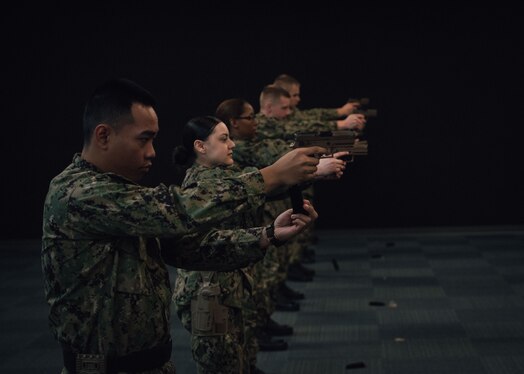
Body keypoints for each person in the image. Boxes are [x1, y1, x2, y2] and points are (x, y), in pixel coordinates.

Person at [41, 78, 325, 374]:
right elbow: (179, 209)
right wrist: (271, 176)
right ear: (103, 136)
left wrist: (267, 235)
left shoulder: (116, 191)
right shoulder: (79, 193)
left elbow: (185, 249)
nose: (152, 152)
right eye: (143, 139)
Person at [170, 116, 318, 374]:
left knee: (236, 356)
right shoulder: (202, 184)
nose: (233, 145)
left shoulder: (221, 177)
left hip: (225, 288)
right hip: (209, 294)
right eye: (224, 139)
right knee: (219, 364)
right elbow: (257, 184)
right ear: (200, 146)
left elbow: (260, 187)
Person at [215, 98, 348, 362]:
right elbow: (273, 164)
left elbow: (277, 155)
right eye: (249, 118)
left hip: (252, 231)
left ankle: (257, 339)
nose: (255, 123)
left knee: (259, 287)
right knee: (243, 304)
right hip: (237, 243)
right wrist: (316, 168)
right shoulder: (238, 151)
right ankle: (256, 336)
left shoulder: (245, 145)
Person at [272, 73, 361, 121]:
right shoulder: (271, 119)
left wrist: (341, 111)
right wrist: (342, 123)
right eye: (295, 95)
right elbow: (305, 126)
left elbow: (312, 115)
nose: (298, 99)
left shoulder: (292, 112)